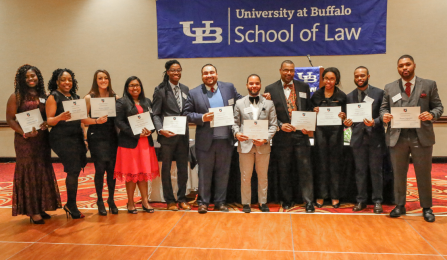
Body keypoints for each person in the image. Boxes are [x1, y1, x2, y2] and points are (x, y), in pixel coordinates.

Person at [380, 55, 443, 222]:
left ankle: (427, 207)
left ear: (414, 65)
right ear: (398, 68)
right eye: (401, 65)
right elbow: (383, 108)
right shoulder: (390, 87)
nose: (404, 68)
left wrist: (431, 114)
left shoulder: (428, 85)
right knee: (399, 173)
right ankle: (400, 205)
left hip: (421, 137)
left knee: (423, 174)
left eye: (407, 64)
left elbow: (438, 107)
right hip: (397, 137)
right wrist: (384, 116)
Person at [183, 64, 243, 214]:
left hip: (225, 140)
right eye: (205, 73)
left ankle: (220, 202)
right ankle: (203, 202)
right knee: (204, 173)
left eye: (211, 72)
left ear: (216, 73)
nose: (209, 75)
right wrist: (202, 117)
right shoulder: (194, 93)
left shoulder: (229, 88)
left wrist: (262, 97)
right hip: (205, 141)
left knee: (223, 173)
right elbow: (187, 113)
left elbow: (242, 102)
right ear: (202, 76)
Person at [6, 64, 61, 224]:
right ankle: (32, 210)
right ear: (21, 80)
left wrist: (46, 124)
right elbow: (10, 119)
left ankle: (41, 206)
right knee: (29, 172)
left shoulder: (44, 95)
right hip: (25, 141)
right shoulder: (16, 96)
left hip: (42, 139)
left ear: (38, 77)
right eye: (27, 77)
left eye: (33, 76)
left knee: (41, 170)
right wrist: (23, 132)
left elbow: (48, 115)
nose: (31, 79)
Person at [264, 60, 315, 212]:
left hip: (301, 136)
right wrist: (280, 125)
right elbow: (269, 113)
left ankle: (308, 201)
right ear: (280, 70)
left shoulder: (303, 86)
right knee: (284, 170)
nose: (289, 73)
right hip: (282, 138)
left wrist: (310, 123)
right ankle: (287, 200)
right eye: (286, 70)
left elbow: (309, 109)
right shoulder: (271, 89)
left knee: (305, 170)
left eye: (291, 70)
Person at [114, 76, 159, 214]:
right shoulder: (121, 102)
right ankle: (131, 202)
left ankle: (145, 202)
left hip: (145, 143)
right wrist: (136, 134)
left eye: (137, 85)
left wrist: (149, 131)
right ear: (127, 88)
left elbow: (152, 120)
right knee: (132, 174)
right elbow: (119, 122)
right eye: (132, 85)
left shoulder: (147, 101)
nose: (135, 88)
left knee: (143, 174)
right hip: (130, 143)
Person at [46, 68, 87, 219]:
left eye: (69, 79)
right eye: (63, 80)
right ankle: (71, 205)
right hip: (61, 138)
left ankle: (71, 204)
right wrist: (59, 117)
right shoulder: (53, 97)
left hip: (76, 137)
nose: (67, 82)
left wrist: (85, 137)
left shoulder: (75, 96)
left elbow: (81, 120)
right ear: (57, 82)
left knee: (75, 170)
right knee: (73, 168)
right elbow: (49, 121)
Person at [233, 74, 277, 213]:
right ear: (247, 85)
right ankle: (246, 203)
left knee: (263, 176)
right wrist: (236, 134)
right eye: (251, 83)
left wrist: (265, 139)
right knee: (246, 176)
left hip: (263, 146)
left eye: (256, 83)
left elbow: (273, 125)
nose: (254, 86)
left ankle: (262, 202)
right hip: (245, 146)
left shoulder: (269, 103)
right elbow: (234, 123)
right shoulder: (239, 103)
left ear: (260, 85)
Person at [344, 66, 385, 213]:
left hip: (375, 138)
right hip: (357, 139)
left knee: (376, 171)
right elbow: (349, 119)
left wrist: (374, 122)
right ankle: (361, 200)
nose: (359, 78)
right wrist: (347, 123)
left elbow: (384, 115)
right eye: (356, 76)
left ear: (368, 76)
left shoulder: (379, 93)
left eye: (362, 75)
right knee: (360, 171)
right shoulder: (349, 96)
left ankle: (377, 201)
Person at [152, 60, 191, 211]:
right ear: (167, 72)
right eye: (173, 70)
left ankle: (181, 198)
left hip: (182, 135)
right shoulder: (160, 90)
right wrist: (160, 130)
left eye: (179, 70)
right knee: (166, 168)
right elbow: (155, 114)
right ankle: (170, 200)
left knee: (183, 168)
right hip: (167, 137)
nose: (176, 73)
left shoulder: (186, 89)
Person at [83, 70, 119, 215]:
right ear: (95, 80)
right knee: (100, 170)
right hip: (96, 137)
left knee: (111, 170)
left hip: (112, 137)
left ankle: (111, 199)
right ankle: (99, 200)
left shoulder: (115, 97)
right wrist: (95, 122)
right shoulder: (89, 97)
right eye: (100, 78)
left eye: (105, 78)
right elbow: (82, 120)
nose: (103, 80)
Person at [311, 67, 347, 208]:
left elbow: (347, 116)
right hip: (320, 133)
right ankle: (321, 195)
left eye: (332, 79)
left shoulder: (342, 96)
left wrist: (344, 116)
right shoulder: (316, 96)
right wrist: (313, 111)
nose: (328, 81)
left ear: (336, 80)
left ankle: (335, 196)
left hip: (336, 134)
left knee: (335, 164)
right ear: (323, 79)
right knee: (321, 164)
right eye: (326, 78)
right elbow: (309, 114)